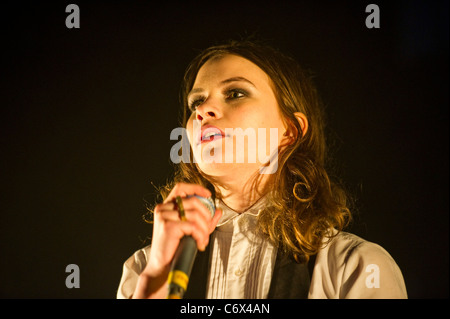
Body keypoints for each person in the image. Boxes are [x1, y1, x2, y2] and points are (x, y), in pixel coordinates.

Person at [117, 40, 407, 299]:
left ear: (290, 132)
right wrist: (154, 284)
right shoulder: (143, 270)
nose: (204, 110)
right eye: (196, 101)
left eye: (235, 93)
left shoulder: (356, 268)